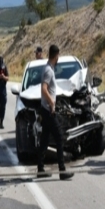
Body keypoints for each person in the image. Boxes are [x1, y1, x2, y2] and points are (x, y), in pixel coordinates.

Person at [37, 45, 74, 180]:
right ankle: (62, 171)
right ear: (56, 55)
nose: (58, 58)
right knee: (59, 138)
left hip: (46, 110)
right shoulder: (48, 71)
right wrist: (52, 103)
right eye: (58, 56)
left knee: (45, 139)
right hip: (48, 110)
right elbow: (44, 89)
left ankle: (40, 169)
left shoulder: (49, 69)